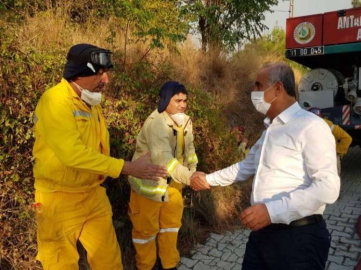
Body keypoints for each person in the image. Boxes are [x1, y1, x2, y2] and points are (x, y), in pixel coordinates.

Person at [191, 62, 340, 270]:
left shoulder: (310, 126)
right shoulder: (269, 131)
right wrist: (207, 180)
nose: (254, 92)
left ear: (278, 88)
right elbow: (245, 167)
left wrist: (271, 211)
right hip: (262, 237)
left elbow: (327, 187)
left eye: (258, 86)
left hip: (299, 241)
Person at [32, 43, 167, 270]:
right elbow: (73, 154)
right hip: (58, 200)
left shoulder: (91, 102)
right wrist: (126, 167)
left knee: (110, 263)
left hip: (93, 196)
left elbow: (96, 149)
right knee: (60, 265)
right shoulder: (55, 101)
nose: (106, 80)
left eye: (106, 73)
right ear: (79, 73)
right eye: (100, 73)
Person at [128, 81, 201, 270]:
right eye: (178, 100)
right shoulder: (156, 123)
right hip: (149, 187)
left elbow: (190, 150)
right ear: (165, 100)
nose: (182, 105)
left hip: (174, 185)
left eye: (185, 100)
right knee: (146, 232)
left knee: (171, 227)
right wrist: (190, 178)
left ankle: (169, 264)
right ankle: (145, 267)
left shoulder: (185, 120)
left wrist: (192, 171)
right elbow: (164, 159)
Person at [308, 107, 352, 175]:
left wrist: (338, 151)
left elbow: (347, 138)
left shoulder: (329, 126)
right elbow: (347, 138)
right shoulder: (329, 125)